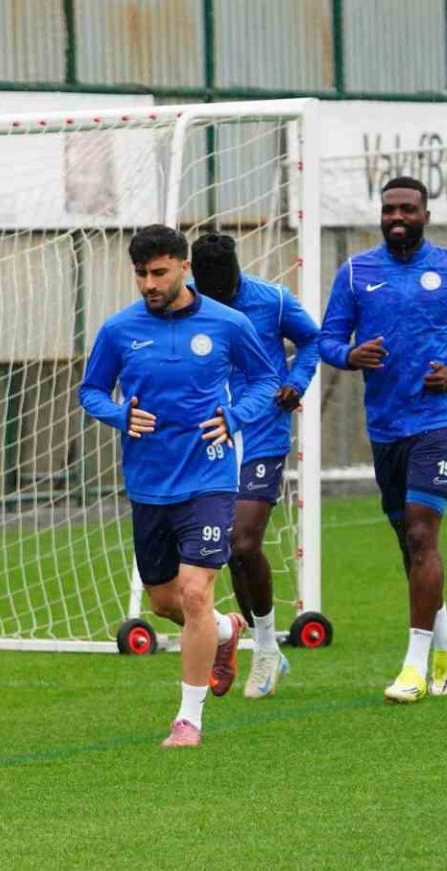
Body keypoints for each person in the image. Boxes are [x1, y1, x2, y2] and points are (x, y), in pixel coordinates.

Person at [79, 224, 277, 747]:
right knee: (165, 601)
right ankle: (226, 631)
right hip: (149, 484)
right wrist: (119, 415)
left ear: (184, 268)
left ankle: (188, 719)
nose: (149, 283)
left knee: (194, 592)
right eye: (141, 274)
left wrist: (236, 416)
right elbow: (91, 391)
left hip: (209, 478)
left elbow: (264, 380)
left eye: (159, 272)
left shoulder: (228, 323)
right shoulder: (119, 330)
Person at [316, 177, 447, 703]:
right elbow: (328, 339)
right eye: (389, 210)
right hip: (385, 424)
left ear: (426, 215)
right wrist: (348, 355)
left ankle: (413, 667)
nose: (397, 217)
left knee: (423, 534)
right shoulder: (356, 272)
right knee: (409, 541)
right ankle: (445, 643)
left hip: (441, 419)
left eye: (407, 209)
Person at [190, 234, 321, 699]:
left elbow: (312, 340)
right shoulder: (184, 302)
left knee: (245, 542)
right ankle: (255, 641)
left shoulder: (273, 299)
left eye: (225, 291)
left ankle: (265, 648)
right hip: (211, 435)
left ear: (236, 274)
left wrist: (296, 381)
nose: (217, 300)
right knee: (227, 549)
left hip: (263, 431)